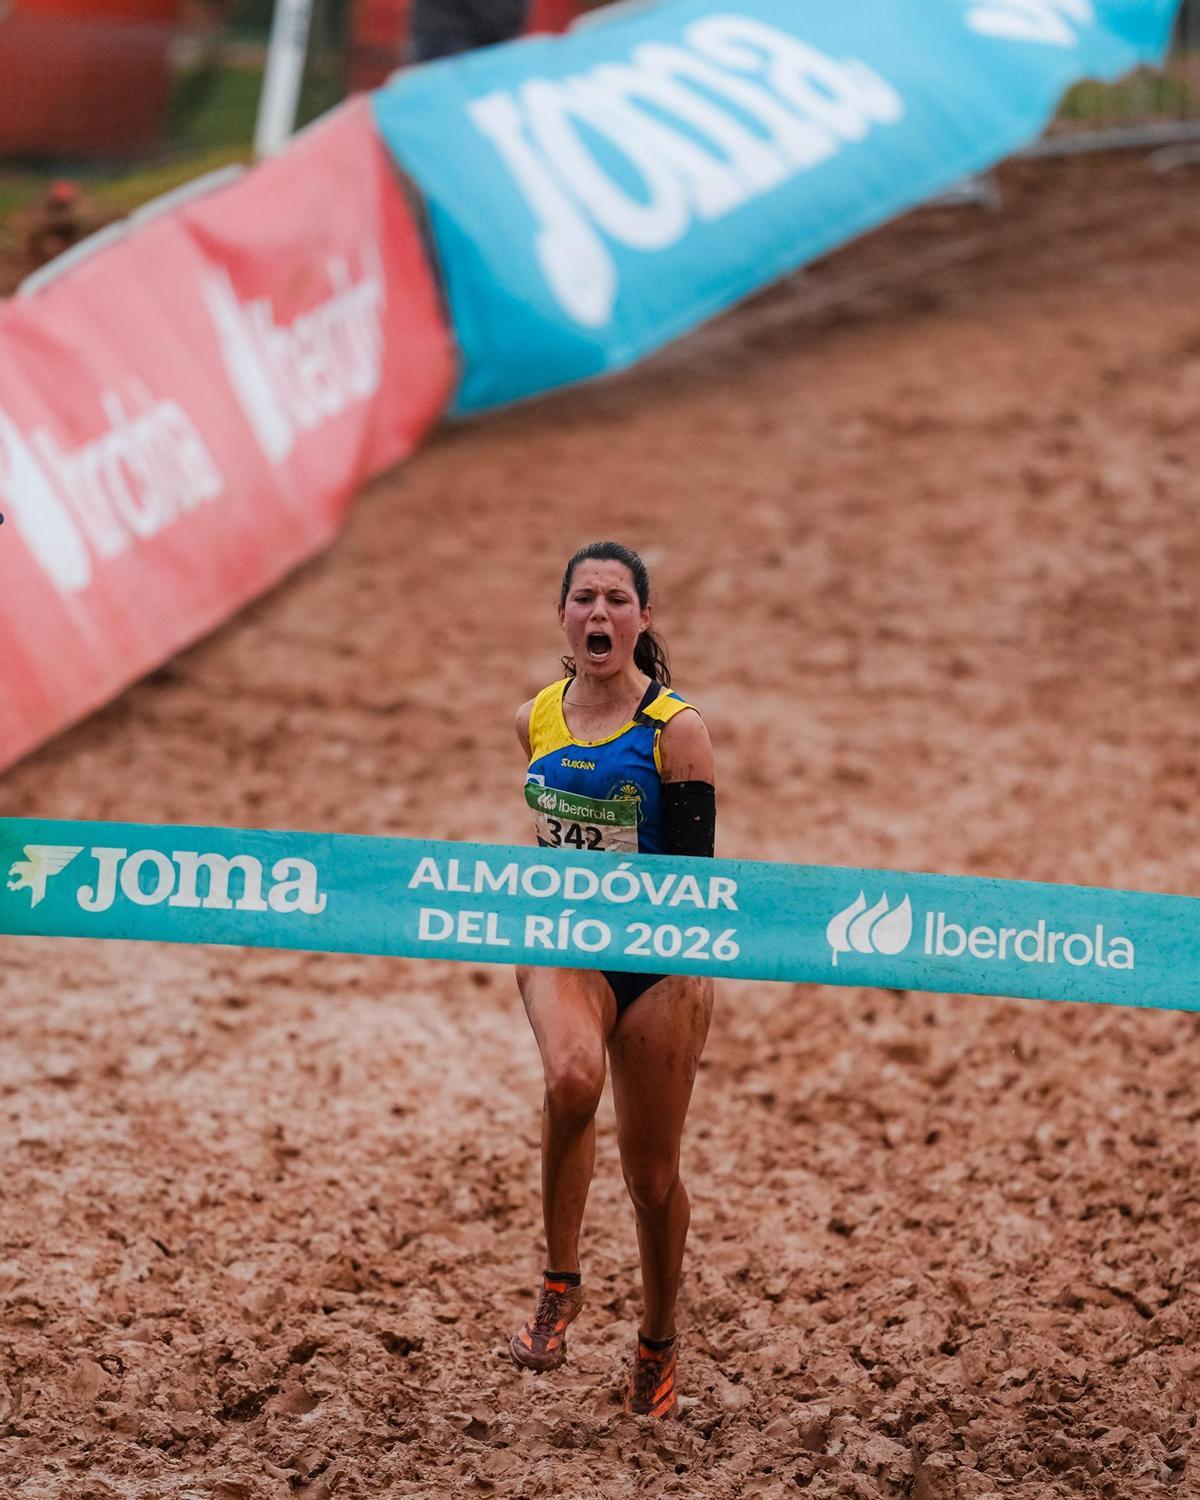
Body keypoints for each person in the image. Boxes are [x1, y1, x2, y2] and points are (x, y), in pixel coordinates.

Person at [509, 540, 717, 1419]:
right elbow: (545, 837)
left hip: (661, 964)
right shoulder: (532, 720)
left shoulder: (678, 730)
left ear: (642, 619)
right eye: (585, 598)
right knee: (569, 1078)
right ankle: (560, 1283)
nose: (600, 613)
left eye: (617, 600)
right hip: (565, 942)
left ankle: (657, 1343)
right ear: (563, 615)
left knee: (653, 1179)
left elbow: (699, 883)